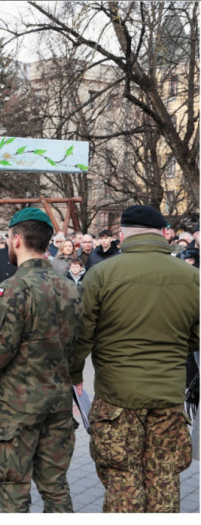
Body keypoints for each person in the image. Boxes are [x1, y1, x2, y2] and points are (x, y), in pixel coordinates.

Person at [70, 205, 199, 513]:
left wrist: (74, 377)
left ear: (123, 234)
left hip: (116, 397)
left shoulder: (100, 274)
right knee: (164, 481)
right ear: (163, 234)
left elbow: (80, 338)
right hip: (168, 397)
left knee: (122, 482)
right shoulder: (192, 277)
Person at [0, 208, 82, 513]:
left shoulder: (14, 288)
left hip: (18, 412)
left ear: (16, 239)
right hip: (57, 405)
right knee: (56, 490)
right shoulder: (69, 288)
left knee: (15, 499)